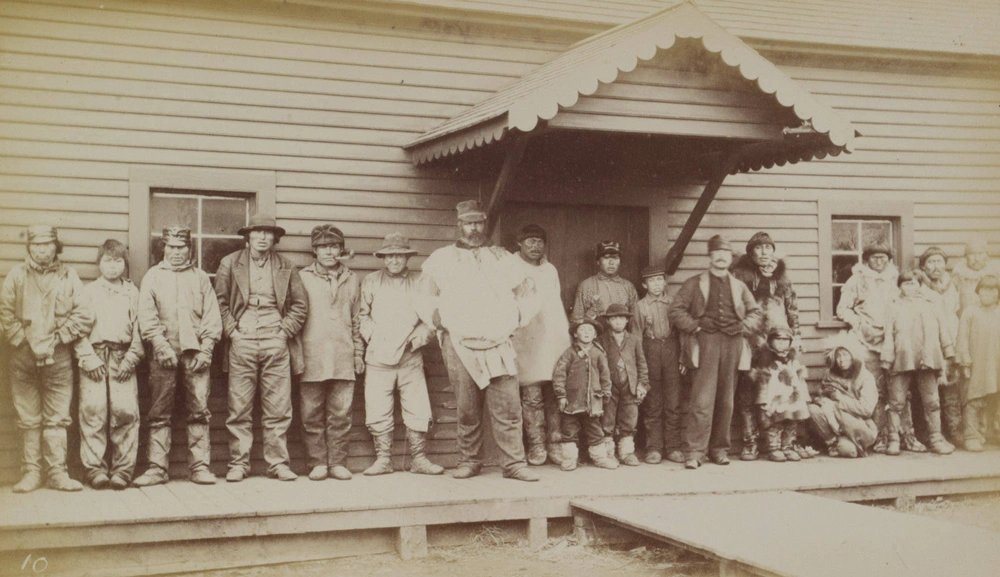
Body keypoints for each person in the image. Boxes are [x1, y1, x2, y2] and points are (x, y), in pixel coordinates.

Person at [417, 200, 540, 482]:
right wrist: (441, 322)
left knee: (508, 407)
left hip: (498, 343)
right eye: (468, 223)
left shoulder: (503, 258)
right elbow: (423, 297)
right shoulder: (440, 259)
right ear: (458, 225)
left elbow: (528, 294)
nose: (474, 229)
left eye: (479, 223)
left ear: (485, 225)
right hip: (460, 343)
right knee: (467, 408)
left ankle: (513, 464)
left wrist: (514, 320)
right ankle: (469, 461)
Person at [1, 225, 95, 493]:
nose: (42, 249)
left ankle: (57, 473)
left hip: (59, 357)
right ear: (29, 248)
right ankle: (31, 473)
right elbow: (5, 313)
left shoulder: (69, 276)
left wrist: (59, 338)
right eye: (36, 245)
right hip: (22, 358)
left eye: (47, 244)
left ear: (57, 246)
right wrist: (22, 341)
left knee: (57, 417)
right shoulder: (17, 275)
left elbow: (84, 314)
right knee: (27, 417)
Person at [214, 214, 308, 482]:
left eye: (268, 233)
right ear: (248, 236)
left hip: (275, 340)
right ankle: (238, 464)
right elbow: (219, 302)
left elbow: (300, 306)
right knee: (239, 406)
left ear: (275, 238)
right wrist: (233, 332)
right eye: (258, 232)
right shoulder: (230, 263)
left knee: (278, 407)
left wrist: (283, 332)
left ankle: (277, 463)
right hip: (242, 340)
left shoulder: (286, 266)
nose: (263, 237)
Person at [134, 226, 222, 486]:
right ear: (163, 248)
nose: (175, 252)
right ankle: (156, 469)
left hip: (195, 356)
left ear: (189, 249)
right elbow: (146, 315)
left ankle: (200, 467)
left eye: (180, 247)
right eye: (170, 247)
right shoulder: (153, 277)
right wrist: (160, 346)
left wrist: (206, 349)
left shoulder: (200, 277)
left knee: (199, 411)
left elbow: (212, 315)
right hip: (163, 355)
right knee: (159, 411)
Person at [668, 235, 762, 469]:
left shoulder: (739, 286)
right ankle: (695, 452)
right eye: (716, 253)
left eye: (726, 254)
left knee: (726, 401)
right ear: (709, 256)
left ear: (731, 258)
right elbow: (676, 310)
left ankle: (719, 449)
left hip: (732, 344)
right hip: (705, 343)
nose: (721, 257)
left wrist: (742, 326)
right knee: (702, 400)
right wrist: (696, 326)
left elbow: (756, 313)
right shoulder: (695, 283)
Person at [358, 232, 442, 476]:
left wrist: (417, 339)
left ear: (408, 258)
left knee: (417, 408)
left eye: (399, 256)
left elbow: (431, 319)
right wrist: (373, 338)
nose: (394, 261)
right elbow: (362, 316)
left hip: (410, 356)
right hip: (378, 357)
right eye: (389, 256)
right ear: (383, 258)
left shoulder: (421, 281)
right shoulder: (371, 281)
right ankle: (383, 459)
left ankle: (419, 458)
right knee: (377, 407)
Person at [730, 232, 811, 461]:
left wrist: (796, 336)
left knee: (780, 392)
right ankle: (750, 443)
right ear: (751, 251)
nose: (765, 252)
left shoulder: (782, 278)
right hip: (750, 342)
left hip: (778, 342)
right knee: (747, 394)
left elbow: (792, 308)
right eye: (760, 248)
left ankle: (779, 444)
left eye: (769, 248)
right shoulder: (739, 277)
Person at [836, 243, 923, 453]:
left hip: (894, 343)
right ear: (866, 259)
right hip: (867, 342)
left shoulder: (896, 280)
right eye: (874, 257)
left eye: (883, 258)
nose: (879, 261)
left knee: (900, 391)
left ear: (889, 260)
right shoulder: (857, 280)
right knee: (875, 390)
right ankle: (881, 435)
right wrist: (859, 323)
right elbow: (843, 308)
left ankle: (906, 435)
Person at [296, 224, 364, 481]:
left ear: (341, 249)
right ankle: (317, 463)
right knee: (310, 413)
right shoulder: (302, 277)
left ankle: (337, 462)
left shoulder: (352, 278)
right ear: (315, 250)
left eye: (334, 246)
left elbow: (356, 319)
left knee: (341, 413)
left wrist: (358, 353)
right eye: (323, 247)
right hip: (312, 355)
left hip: (343, 355)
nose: (329, 252)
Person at [78, 239, 144, 490]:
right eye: (108, 260)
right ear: (99, 263)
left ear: (125, 264)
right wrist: (88, 359)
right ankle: (94, 469)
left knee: (125, 412)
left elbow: (141, 328)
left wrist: (132, 358)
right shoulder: (88, 291)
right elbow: (78, 330)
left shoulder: (132, 292)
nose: (113, 266)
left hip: (122, 357)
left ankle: (123, 470)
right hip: (94, 358)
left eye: (118, 261)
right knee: (92, 411)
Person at [510, 224, 571, 467]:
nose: (535, 246)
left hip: (552, 336)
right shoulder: (511, 266)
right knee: (531, 393)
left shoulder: (550, 269)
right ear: (519, 243)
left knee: (555, 391)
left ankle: (555, 444)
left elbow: (554, 303)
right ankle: (536, 445)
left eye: (539, 241)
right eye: (530, 241)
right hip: (526, 337)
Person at [880, 270, 955, 455]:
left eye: (913, 283)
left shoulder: (931, 304)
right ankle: (894, 439)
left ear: (919, 284)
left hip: (928, 357)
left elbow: (942, 329)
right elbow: (888, 334)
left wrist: (948, 351)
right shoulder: (894, 306)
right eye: (905, 284)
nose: (909, 287)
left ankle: (936, 438)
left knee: (932, 401)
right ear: (899, 287)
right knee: (896, 401)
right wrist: (887, 359)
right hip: (902, 358)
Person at [631, 264, 684, 464]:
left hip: (671, 350)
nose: (656, 284)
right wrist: (639, 363)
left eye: (659, 279)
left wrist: (683, 357)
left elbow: (682, 334)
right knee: (653, 402)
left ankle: (673, 446)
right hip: (650, 350)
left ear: (665, 282)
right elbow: (636, 336)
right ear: (644, 284)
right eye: (651, 280)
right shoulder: (640, 306)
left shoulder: (673, 303)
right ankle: (654, 447)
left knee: (673, 401)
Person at [552, 319, 617, 471]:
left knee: (595, 429)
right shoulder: (569, 353)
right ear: (575, 334)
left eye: (590, 330)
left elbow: (605, 375)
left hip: (593, 401)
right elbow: (559, 375)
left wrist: (606, 391)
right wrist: (561, 395)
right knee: (569, 429)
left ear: (595, 335)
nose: (586, 333)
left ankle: (600, 457)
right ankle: (569, 458)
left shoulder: (598, 353)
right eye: (582, 330)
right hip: (572, 401)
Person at [917, 246, 963, 445]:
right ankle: (929, 433)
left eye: (939, 262)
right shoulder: (919, 288)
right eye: (931, 262)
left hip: (951, 344)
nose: (936, 267)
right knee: (929, 394)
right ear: (924, 266)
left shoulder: (952, 287)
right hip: (930, 347)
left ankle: (954, 430)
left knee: (952, 391)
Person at [808, 332, 878, 458]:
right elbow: (823, 394)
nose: (841, 360)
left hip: (856, 423)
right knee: (813, 410)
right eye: (838, 356)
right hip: (833, 420)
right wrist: (822, 399)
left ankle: (849, 442)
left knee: (849, 452)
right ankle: (832, 442)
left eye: (845, 355)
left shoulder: (866, 378)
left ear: (853, 356)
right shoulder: (830, 374)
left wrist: (840, 398)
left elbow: (866, 409)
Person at [597, 303, 649, 467]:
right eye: (613, 319)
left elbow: (641, 364)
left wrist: (642, 384)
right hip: (609, 386)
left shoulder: (634, 340)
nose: (618, 322)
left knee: (629, 418)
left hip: (630, 385)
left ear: (627, 320)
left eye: (621, 318)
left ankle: (626, 452)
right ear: (608, 322)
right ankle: (608, 452)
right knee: (608, 417)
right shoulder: (601, 340)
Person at [749, 327, 810, 462]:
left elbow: (799, 377)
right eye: (778, 340)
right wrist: (763, 399)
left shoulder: (792, 359)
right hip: (774, 397)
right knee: (775, 422)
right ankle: (773, 448)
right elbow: (762, 381)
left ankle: (787, 446)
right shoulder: (765, 359)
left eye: (785, 340)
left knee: (791, 421)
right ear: (770, 342)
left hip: (790, 397)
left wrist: (800, 394)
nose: (782, 343)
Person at [956, 275, 1000, 452]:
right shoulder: (970, 313)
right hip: (978, 364)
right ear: (978, 292)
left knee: (996, 398)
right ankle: (972, 435)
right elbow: (962, 340)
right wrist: (965, 363)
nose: (988, 293)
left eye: (993, 290)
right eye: (984, 289)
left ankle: (994, 431)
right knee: (974, 399)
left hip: (997, 365)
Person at [570, 241, 638, 328]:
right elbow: (576, 320)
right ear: (598, 261)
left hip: (622, 338)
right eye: (606, 258)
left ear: (620, 261)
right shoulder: (586, 285)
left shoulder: (628, 286)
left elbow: (636, 320)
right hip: (596, 338)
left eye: (615, 258)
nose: (611, 262)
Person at [952, 239, 1000, 313]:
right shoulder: (959, 274)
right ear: (965, 256)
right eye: (971, 254)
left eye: (980, 253)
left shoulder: (995, 273)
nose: (976, 258)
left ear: (987, 255)